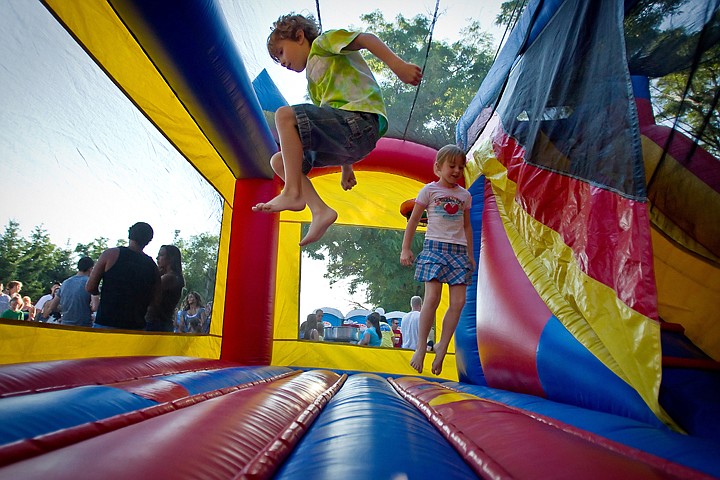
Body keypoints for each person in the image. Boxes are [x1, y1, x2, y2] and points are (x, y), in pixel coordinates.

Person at [252, 13, 422, 246]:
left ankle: (292, 192)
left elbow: (366, 39)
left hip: (362, 120)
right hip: (350, 137)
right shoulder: (313, 85)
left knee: (285, 115)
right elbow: (331, 122)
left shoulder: (323, 44)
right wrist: (346, 165)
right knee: (279, 161)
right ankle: (320, 210)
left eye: (281, 52)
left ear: (300, 36)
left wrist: (398, 66)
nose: (282, 62)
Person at [400, 145, 475, 375]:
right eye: (451, 166)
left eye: (460, 167)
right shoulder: (429, 191)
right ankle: (421, 345)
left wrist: (470, 254)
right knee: (431, 298)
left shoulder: (465, 195)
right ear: (438, 167)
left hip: (458, 250)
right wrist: (406, 248)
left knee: (458, 302)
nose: (456, 170)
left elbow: (467, 225)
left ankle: (442, 345)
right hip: (434, 247)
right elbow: (413, 221)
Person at [87, 222, 161, 330]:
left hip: (106, 322)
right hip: (135, 327)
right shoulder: (152, 266)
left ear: (129, 235)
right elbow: (156, 301)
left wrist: (101, 295)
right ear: (148, 241)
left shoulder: (110, 255)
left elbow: (90, 287)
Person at [45, 256, 96, 327]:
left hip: (65, 325)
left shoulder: (65, 283)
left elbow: (52, 307)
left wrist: (66, 309)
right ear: (91, 269)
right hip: (84, 326)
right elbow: (95, 307)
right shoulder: (91, 283)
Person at [145, 245, 185, 332]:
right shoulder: (174, 277)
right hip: (162, 323)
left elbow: (147, 293)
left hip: (155, 323)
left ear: (170, 258)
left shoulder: (169, 278)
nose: (157, 258)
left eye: (161, 255)